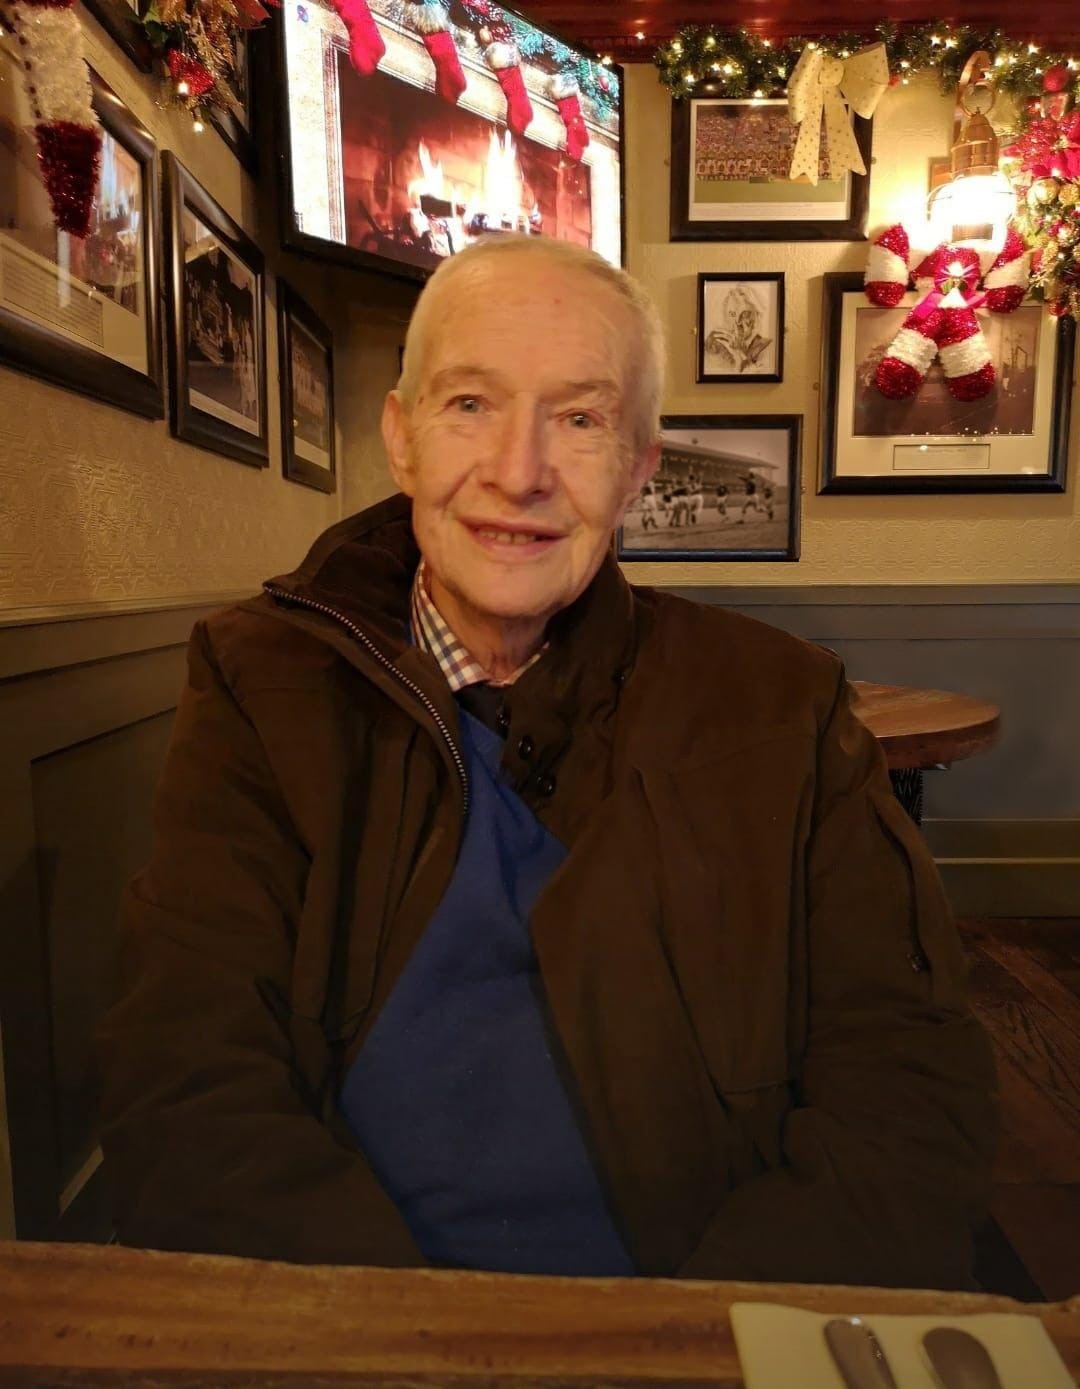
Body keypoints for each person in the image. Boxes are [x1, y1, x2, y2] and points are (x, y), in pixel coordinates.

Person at [98, 235, 995, 1289]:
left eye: (579, 419)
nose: (518, 473)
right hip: (359, 1327)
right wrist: (401, 1345)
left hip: (708, 1325)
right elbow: (185, 1082)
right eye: (470, 404)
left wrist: (700, 1345)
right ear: (402, 439)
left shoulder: (784, 702)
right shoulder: (258, 680)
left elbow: (904, 1087)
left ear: (638, 470)